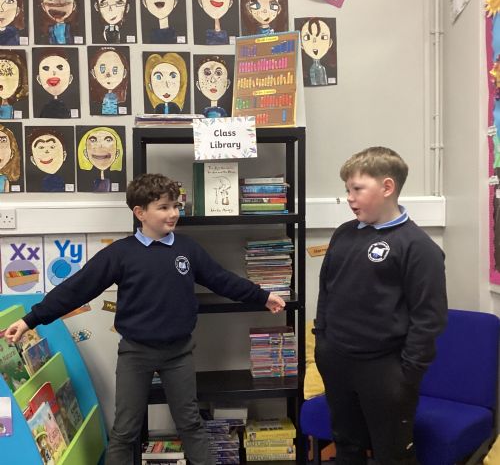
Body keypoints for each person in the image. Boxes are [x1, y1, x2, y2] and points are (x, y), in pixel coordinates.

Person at [5, 173, 286, 465]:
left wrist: (262, 296)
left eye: (175, 206)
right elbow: (77, 288)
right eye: (163, 207)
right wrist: (30, 320)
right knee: (125, 430)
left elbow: (222, 280)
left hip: (179, 353)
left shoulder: (187, 249)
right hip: (135, 353)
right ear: (140, 213)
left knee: (190, 423)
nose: (173, 213)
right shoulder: (121, 253)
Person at [314, 147, 447, 465]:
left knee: (393, 454)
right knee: (346, 445)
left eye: (357, 189)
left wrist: (407, 375)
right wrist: (323, 342)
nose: (349, 198)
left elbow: (428, 318)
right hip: (337, 361)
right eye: (347, 190)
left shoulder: (417, 246)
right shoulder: (344, 234)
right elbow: (327, 290)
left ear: (387, 187)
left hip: (385, 369)